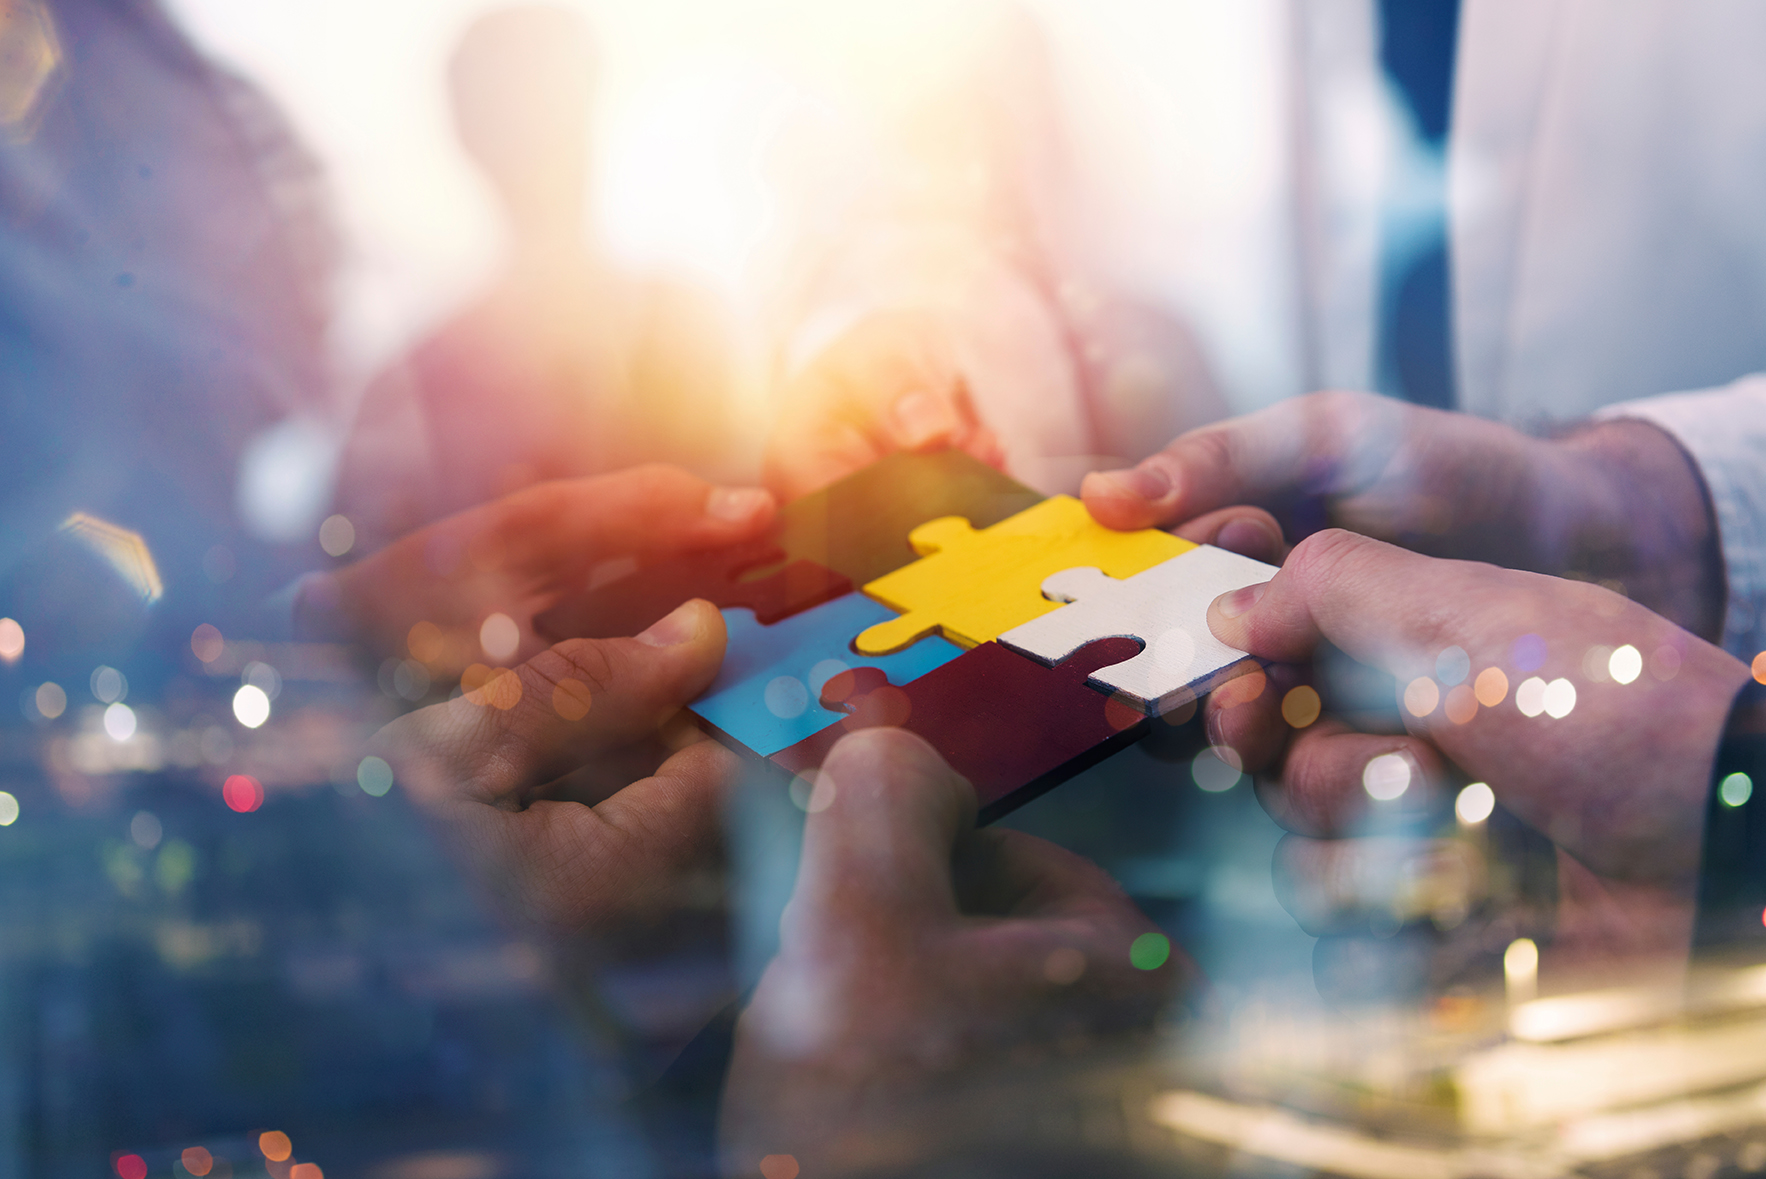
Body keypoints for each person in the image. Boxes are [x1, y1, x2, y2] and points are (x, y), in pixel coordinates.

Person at [333, 5, 741, 552]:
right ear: (469, 137)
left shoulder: (689, 327)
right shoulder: (406, 398)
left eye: (546, 101)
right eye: (509, 112)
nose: (537, 134)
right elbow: (363, 599)